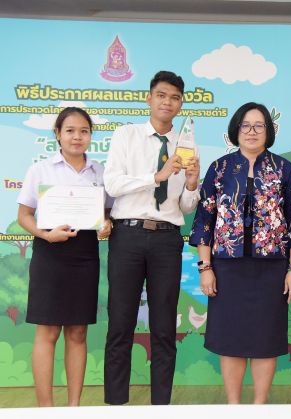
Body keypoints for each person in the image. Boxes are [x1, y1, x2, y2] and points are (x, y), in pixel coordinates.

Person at [189, 102, 291, 404]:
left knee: (265, 339)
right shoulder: (220, 168)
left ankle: (259, 405)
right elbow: (204, 220)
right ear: (236, 130)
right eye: (245, 125)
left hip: (272, 269)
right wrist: (205, 267)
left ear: (269, 131)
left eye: (259, 125)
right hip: (226, 269)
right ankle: (234, 405)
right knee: (230, 338)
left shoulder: (284, 169)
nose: (252, 131)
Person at [103, 70, 200, 405]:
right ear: (149, 98)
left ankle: (161, 406)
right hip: (127, 236)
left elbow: (185, 207)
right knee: (120, 325)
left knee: (163, 328)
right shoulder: (126, 134)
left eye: (174, 97)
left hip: (167, 240)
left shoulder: (186, 145)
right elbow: (113, 184)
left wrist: (192, 184)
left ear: (180, 104)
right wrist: (156, 176)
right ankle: (116, 404)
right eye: (161, 95)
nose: (167, 102)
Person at [17, 107, 113, 406]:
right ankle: (46, 408)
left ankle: (74, 407)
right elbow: (24, 215)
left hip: (85, 256)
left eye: (84, 131)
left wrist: (107, 225)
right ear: (58, 134)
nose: (77, 137)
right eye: (70, 130)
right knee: (47, 332)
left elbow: (108, 213)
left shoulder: (100, 172)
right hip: (49, 253)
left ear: (91, 136)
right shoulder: (40, 170)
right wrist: (45, 234)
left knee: (78, 332)